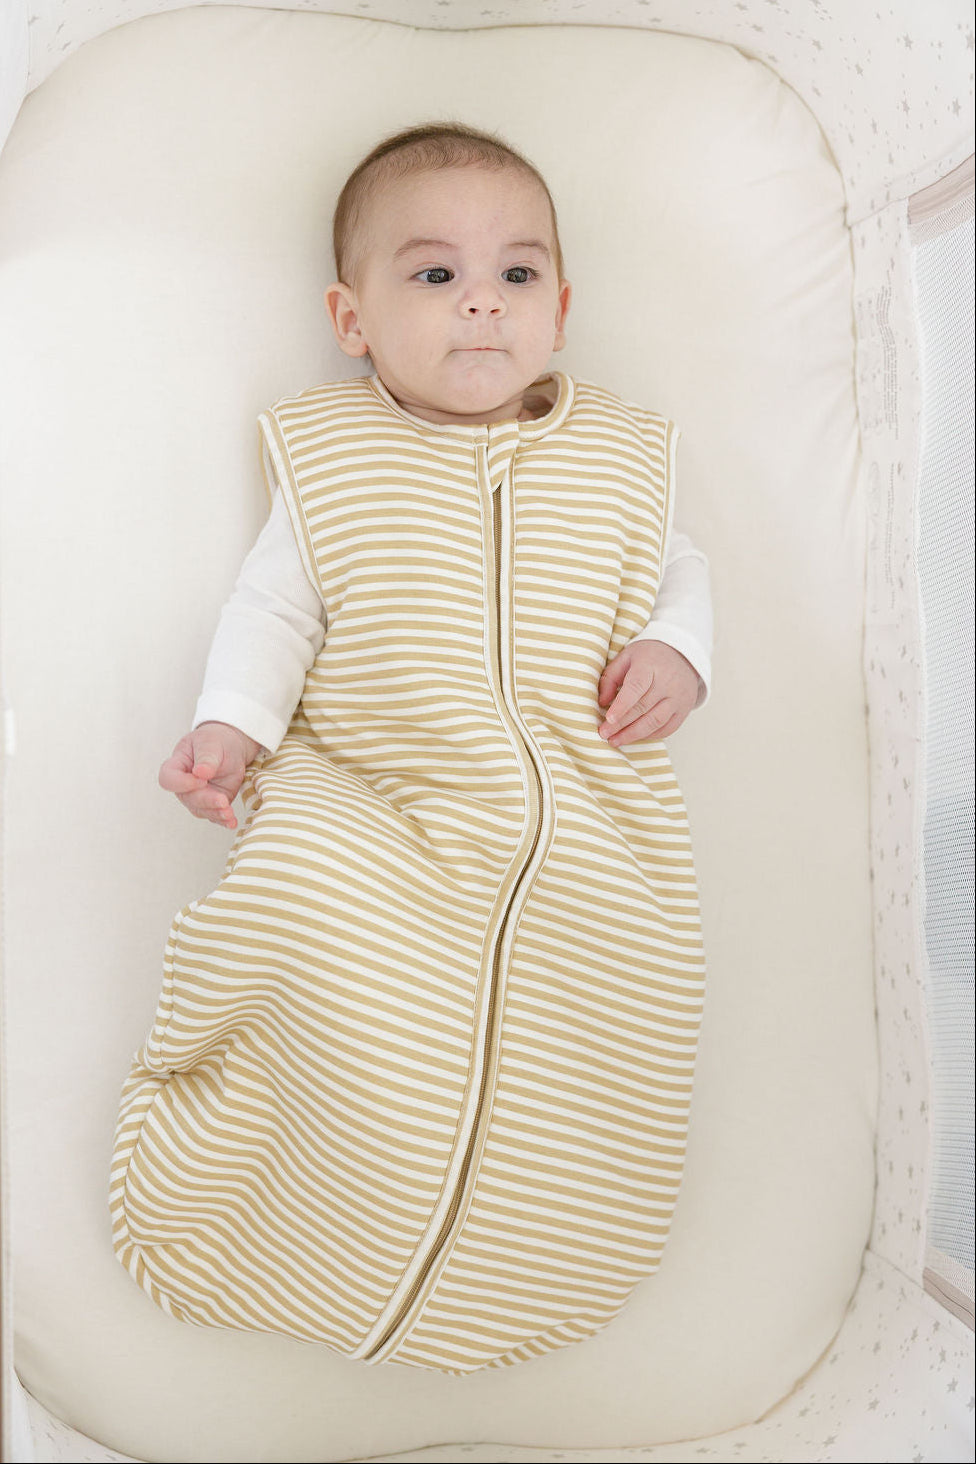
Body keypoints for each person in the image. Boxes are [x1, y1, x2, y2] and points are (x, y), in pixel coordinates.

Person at [111, 122, 710, 1376]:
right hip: (381, 808)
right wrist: (230, 727)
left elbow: (675, 578)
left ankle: (527, 1246)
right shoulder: (333, 458)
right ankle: (304, 1200)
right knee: (312, 908)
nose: (482, 303)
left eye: (517, 274)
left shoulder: (620, 455)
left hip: (583, 835)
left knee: (607, 1012)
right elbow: (275, 611)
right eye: (435, 274)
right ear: (353, 318)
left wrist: (677, 653)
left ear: (562, 308)